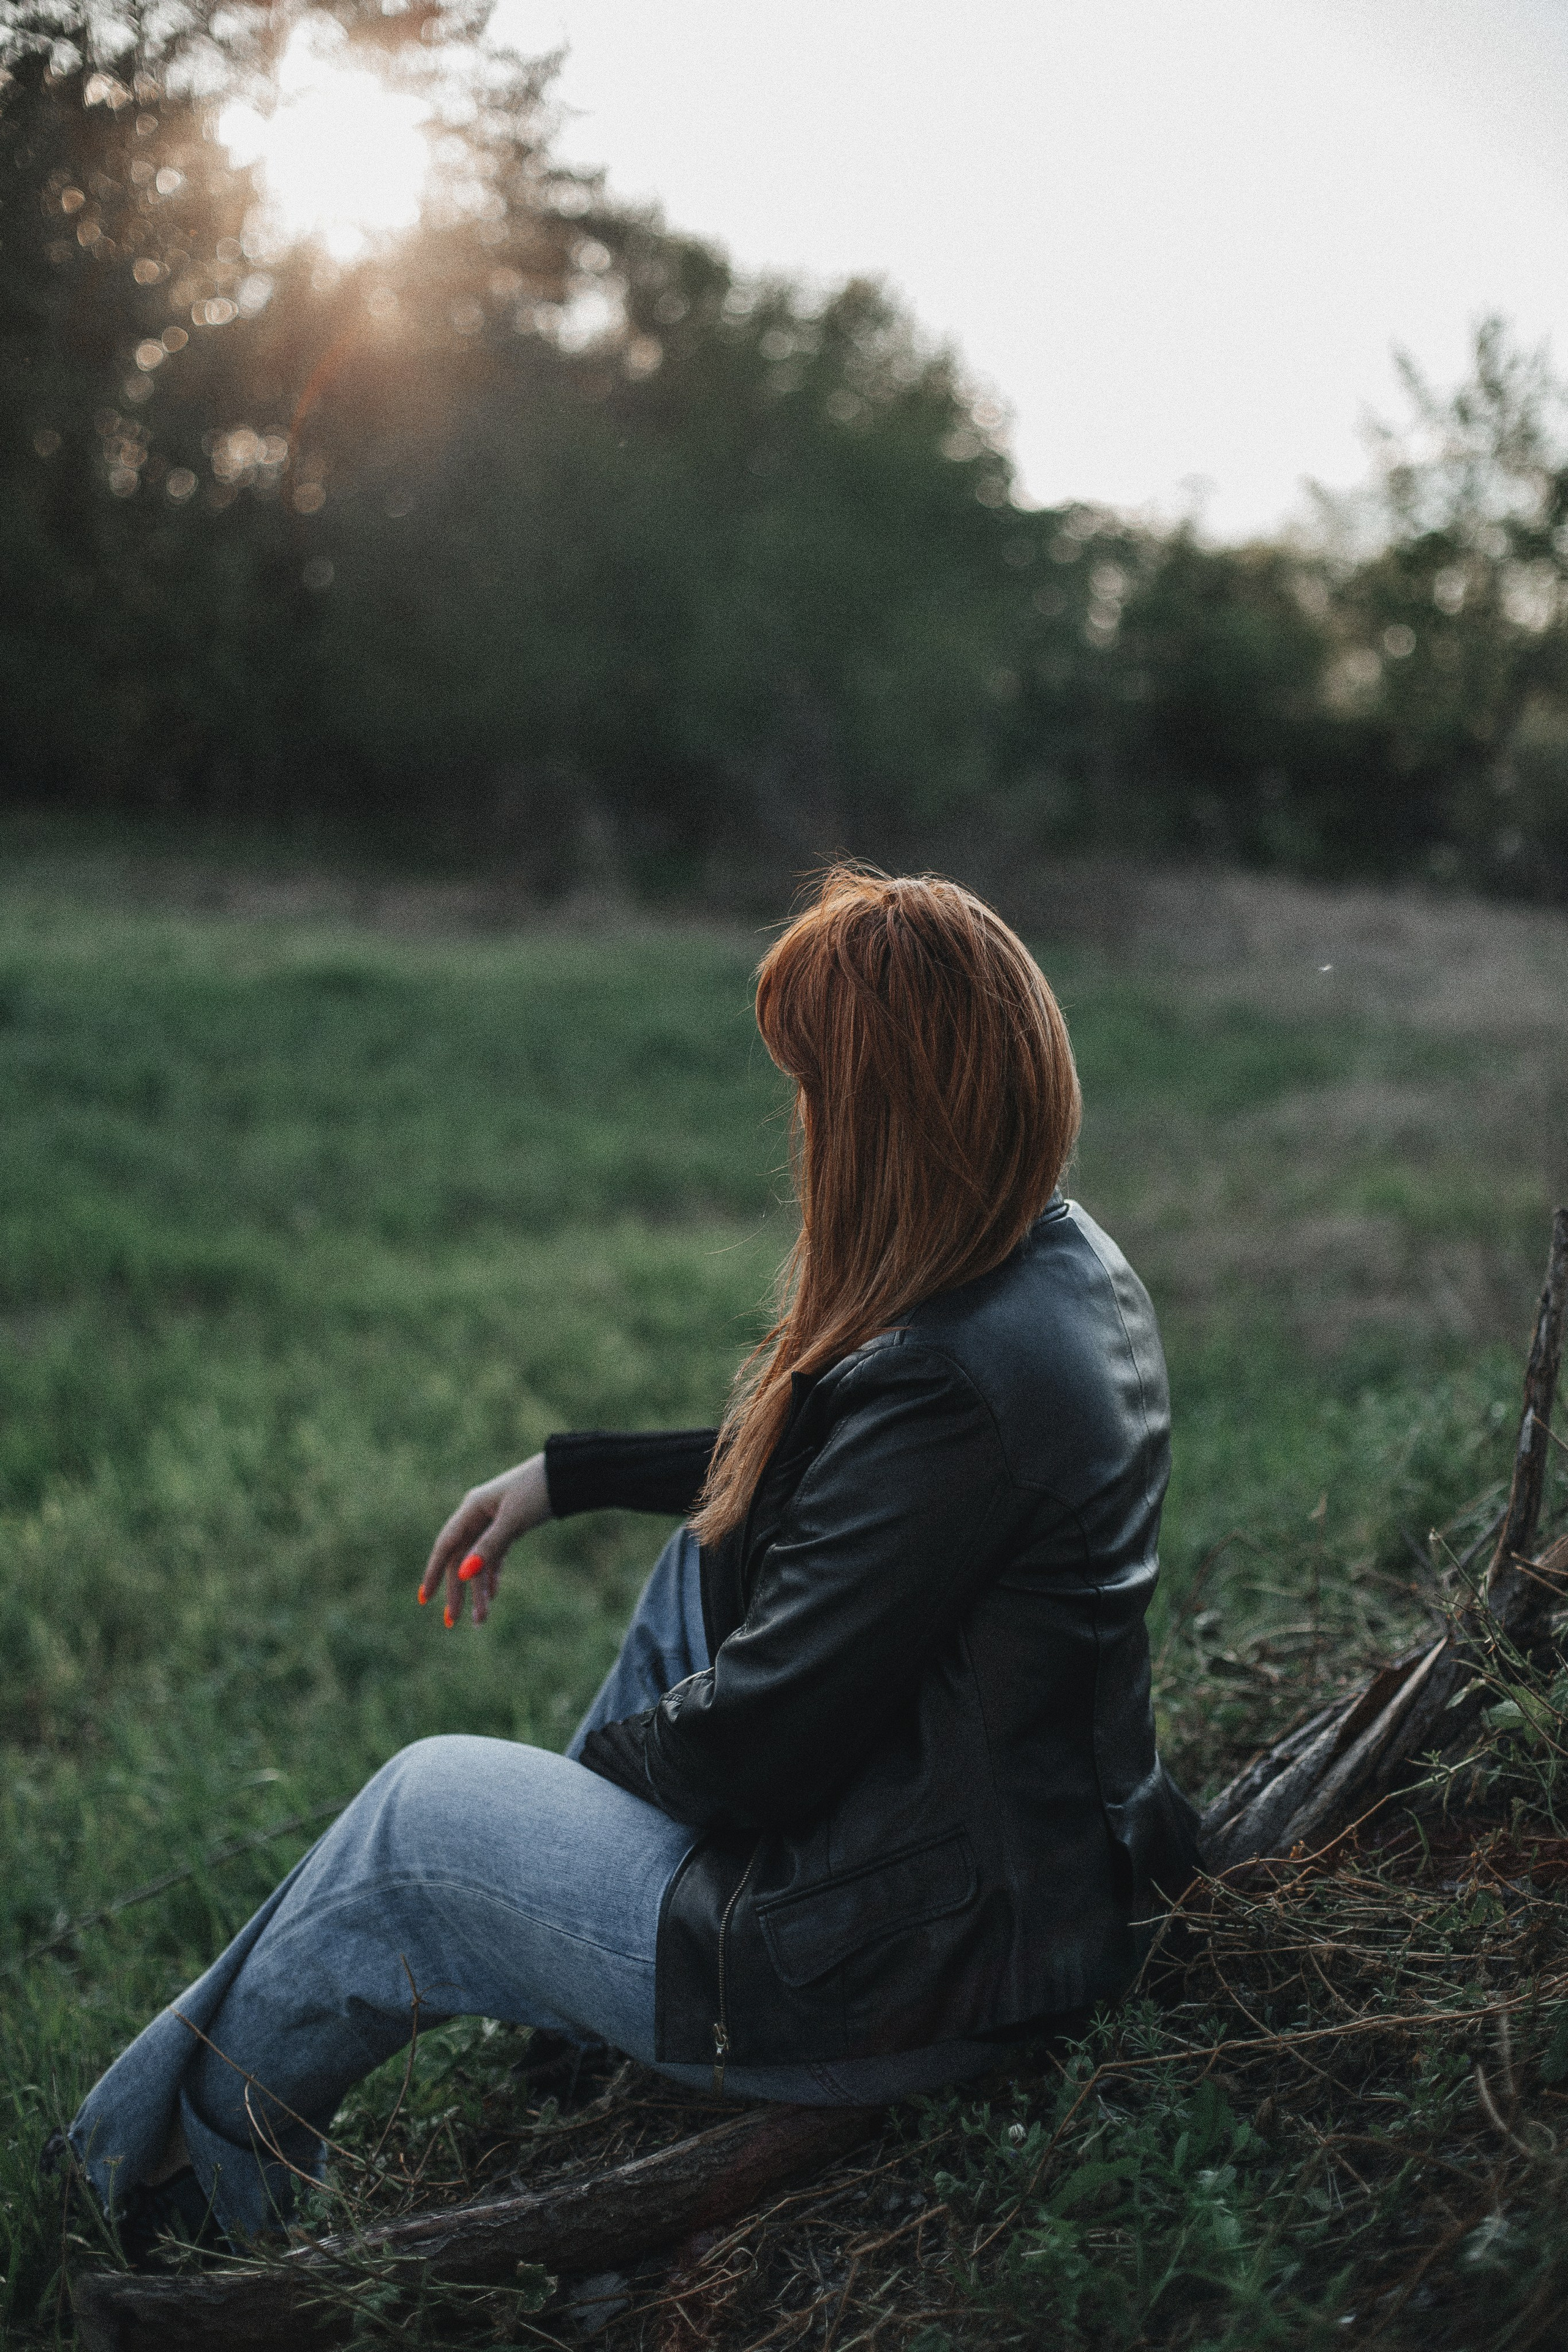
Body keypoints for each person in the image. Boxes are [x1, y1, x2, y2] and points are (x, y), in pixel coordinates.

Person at [67, 866, 1198, 2250]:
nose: (803, 1128)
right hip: (1001, 1905)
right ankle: (520, 2043)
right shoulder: (1054, 1268)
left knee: (421, 1816)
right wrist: (573, 1475)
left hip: (902, 1979)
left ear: (890, 1121)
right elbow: (830, 1477)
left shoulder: (953, 1383)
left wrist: (584, 1796)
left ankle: (165, 2196)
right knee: (697, 1559)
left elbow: (757, 1755)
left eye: (820, 1093)